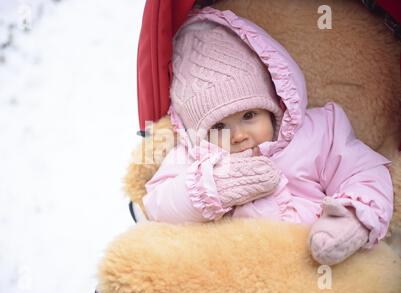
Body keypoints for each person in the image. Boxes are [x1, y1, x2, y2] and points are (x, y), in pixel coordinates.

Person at [142, 7, 393, 266]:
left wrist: (350, 220)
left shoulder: (317, 134)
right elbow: (157, 207)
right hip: (237, 271)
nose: (238, 135)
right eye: (219, 127)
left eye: (249, 115)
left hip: (318, 262)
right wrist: (211, 188)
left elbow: (363, 172)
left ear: (273, 106)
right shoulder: (193, 156)